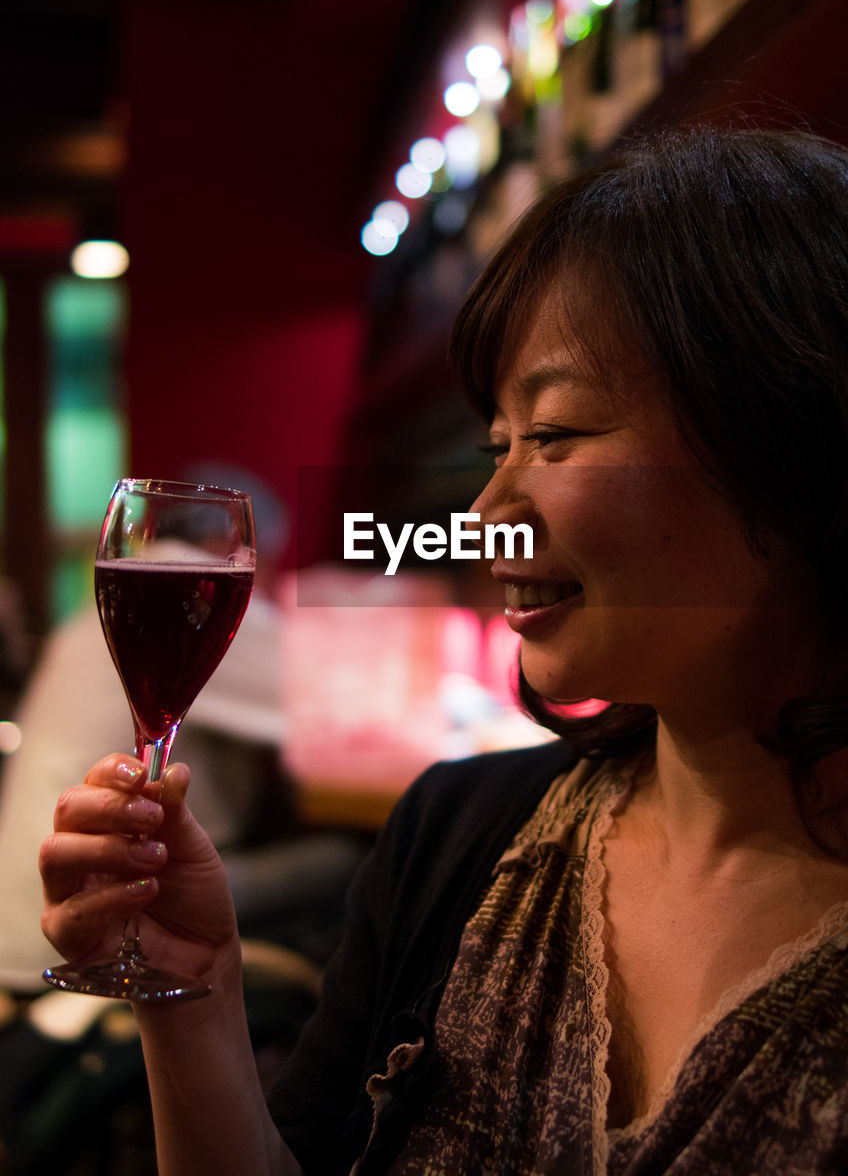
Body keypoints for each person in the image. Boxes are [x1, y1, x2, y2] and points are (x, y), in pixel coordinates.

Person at [39, 127, 848, 1174]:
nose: (485, 512)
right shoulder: (455, 833)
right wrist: (193, 992)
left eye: (554, 436)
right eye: (493, 447)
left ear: (787, 448)